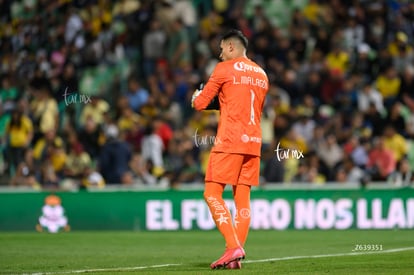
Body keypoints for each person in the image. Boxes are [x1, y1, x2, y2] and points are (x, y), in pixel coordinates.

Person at [191, 29, 269, 270]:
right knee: (242, 198)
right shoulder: (261, 73)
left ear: (232, 47)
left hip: (230, 140)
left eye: (222, 48)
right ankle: (234, 256)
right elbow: (240, 103)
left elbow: (201, 103)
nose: (220, 53)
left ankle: (233, 245)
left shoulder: (224, 69)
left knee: (212, 193)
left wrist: (196, 97)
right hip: (253, 142)